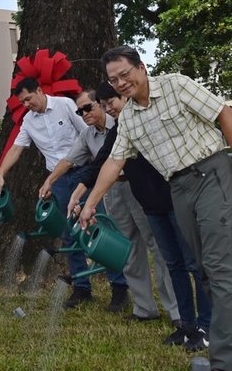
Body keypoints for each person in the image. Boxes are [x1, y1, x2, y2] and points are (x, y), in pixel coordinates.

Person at [80, 46, 232, 371]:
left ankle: (222, 360)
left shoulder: (176, 84)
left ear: (141, 67)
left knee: (218, 267)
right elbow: (114, 162)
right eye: (113, 79)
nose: (120, 83)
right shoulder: (130, 118)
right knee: (205, 272)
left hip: (211, 173)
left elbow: (223, 113)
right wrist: (89, 203)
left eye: (125, 74)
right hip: (178, 188)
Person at [69, 80, 210, 348]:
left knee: (194, 264)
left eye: (110, 103)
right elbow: (104, 163)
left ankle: (206, 326)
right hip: (151, 206)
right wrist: (83, 195)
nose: (108, 109)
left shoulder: (149, 121)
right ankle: (186, 325)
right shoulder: (122, 130)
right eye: (104, 105)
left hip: (175, 200)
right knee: (174, 265)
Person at [0, 77, 88, 309]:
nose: (26, 104)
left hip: (84, 173)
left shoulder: (65, 105)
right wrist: (0, 174)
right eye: (22, 102)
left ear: (39, 90)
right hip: (59, 181)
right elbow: (17, 148)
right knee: (69, 231)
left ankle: (119, 285)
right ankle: (82, 286)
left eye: (28, 99)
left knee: (95, 225)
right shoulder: (29, 121)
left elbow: (87, 133)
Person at [38, 90, 130, 313]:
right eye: (80, 111)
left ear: (101, 104)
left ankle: (121, 288)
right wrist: (49, 180)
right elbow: (70, 160)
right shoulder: (88, 135)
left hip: (128, 187)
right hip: (101, 188)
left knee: (110, 235)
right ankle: (85, 288)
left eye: (88, 107)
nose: (84, 113)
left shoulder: (121, 123)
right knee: (82, 232)